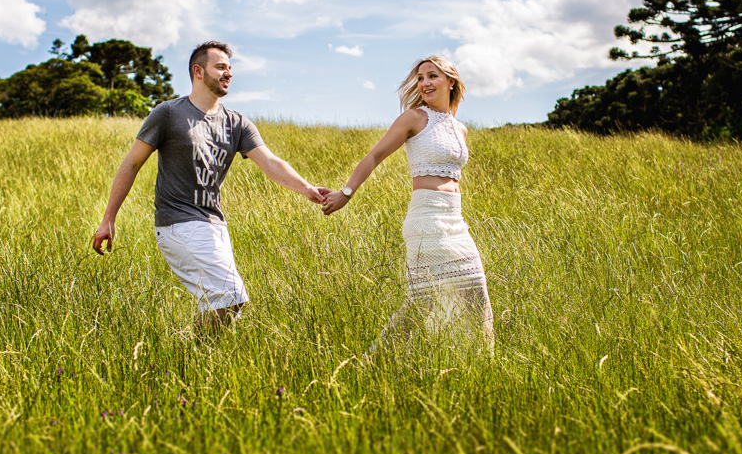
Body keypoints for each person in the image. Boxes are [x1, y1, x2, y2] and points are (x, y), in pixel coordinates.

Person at [93, 40, 326, 332]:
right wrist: (108, 219)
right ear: (198, 71)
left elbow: (270, 162)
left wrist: (308, 189)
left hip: (215, 225)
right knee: (229, 297)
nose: (228, 73)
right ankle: (188, 356)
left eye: (230, 68)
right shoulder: (168, 113)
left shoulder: (237, 123)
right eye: (220, 67)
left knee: (226, 310)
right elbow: (131, 164)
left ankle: (189, 360)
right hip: (178, 222)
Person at [322, 55, 493, 354]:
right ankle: (371, 362)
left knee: (470, 291)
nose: (425, 83)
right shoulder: (414, 118)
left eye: (432, 76)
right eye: (420, 78)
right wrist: (345, 193)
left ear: (450, 82)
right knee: (425, 299)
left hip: (455, 217)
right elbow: (373, 156)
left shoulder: (460, 128)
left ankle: (481, 361)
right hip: (427, 217)